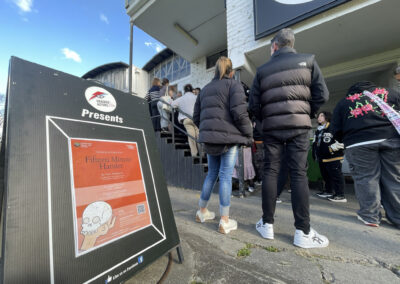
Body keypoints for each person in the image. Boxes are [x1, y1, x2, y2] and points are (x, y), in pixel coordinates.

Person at [249, 28, 329, 248]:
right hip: (299, 127)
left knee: (270, 171)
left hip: (272, 129)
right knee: (298, 174)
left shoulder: (262, 70)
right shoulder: (308, 61)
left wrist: (266, 121)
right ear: (291, 44)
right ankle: (302, 231)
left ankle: (267, 224)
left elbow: (253, 105)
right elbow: (322, 94)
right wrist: (305, 113)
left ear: (275, 46)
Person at [193, 56, 253, 234]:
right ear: (231, 72)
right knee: (225, 176)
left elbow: (197, 117)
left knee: (211, 174)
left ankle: (202, 211)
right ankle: (224, 221)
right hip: (229, 139)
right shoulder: (234, 85)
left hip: (210, 139)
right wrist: (248, 133)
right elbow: (239, 113)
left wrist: (209, 131)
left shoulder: (204, 90)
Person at [331, 81, 400, 228]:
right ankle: (398, 217)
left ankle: (370, 216)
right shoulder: (390, 93)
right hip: (391, 139)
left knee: (366, 178)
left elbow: (335, 128)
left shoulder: (344, 102)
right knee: (394, 177)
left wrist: (343, 140)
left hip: (358, 143)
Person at [312, 111, 346, 202]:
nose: (319, 117)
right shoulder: (318, 130)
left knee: (336, 176)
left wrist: (331, 149)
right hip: (322, 158)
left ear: (327, 117)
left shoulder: (333, 127)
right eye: (318, 116)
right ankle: (328, 191)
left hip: (334, 157)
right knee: (326, 176)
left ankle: (340, 195)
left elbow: (343, 142)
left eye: (322, 115)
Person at [172, 84, 200, 157]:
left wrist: (178, 108)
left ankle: (194, 154)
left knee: (191, 137)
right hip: (196, 119)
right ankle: (202, 153)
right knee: (199, 136)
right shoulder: (196, 97)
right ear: (192, 90)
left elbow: (172, 104)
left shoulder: (181, 98)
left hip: (186, 119)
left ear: (184, 90)